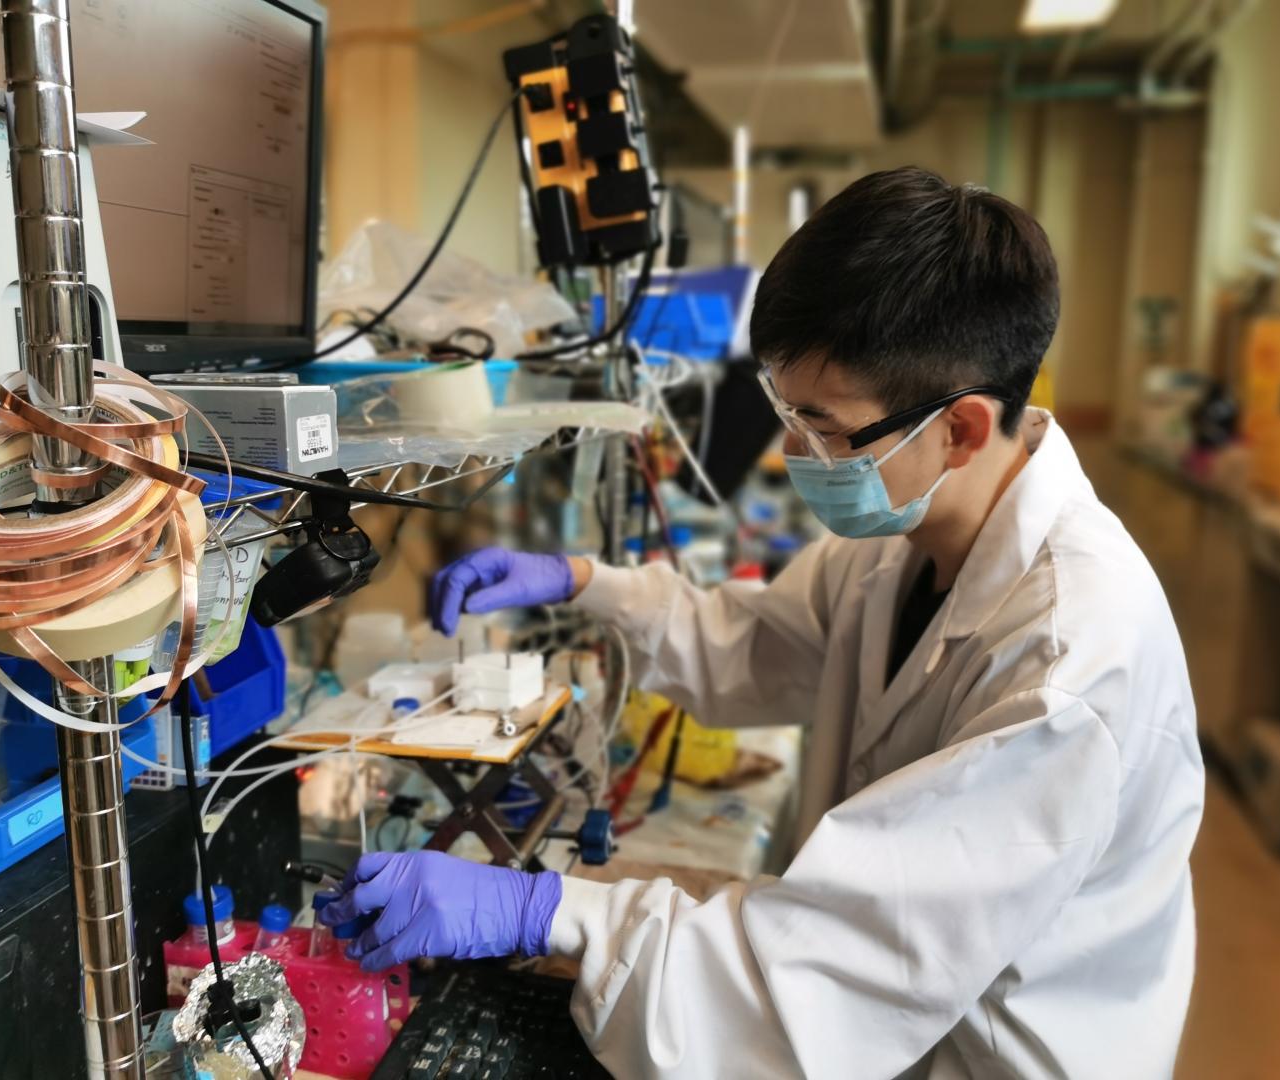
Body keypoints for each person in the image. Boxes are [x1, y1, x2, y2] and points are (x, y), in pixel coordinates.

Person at [320, 167, 1205, 1079]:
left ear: (965, 429)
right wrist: (579, 580)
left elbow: (836, 967)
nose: (792, 453)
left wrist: (539, 912)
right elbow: (760, 641)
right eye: (788, 411)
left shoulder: (1070, 668)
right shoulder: (909, 533)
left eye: (824, 427)